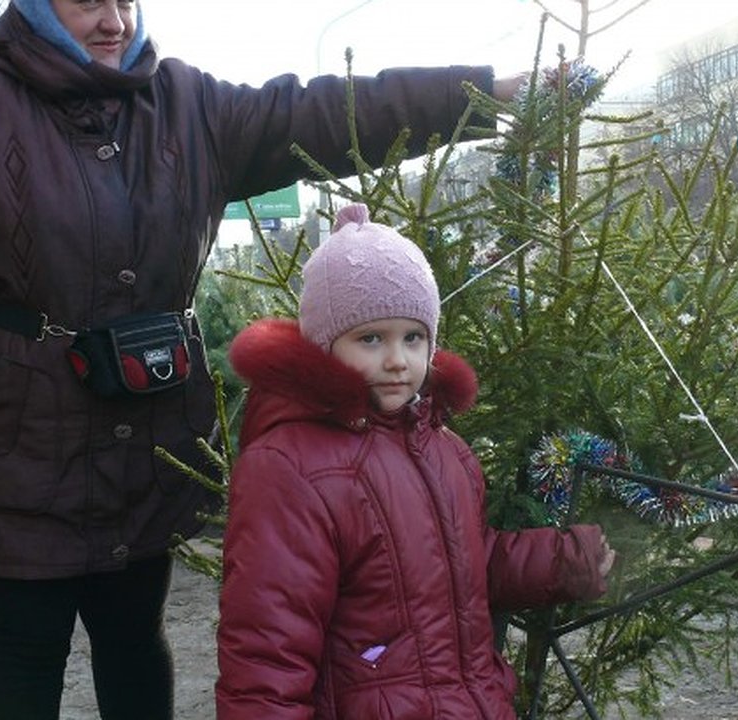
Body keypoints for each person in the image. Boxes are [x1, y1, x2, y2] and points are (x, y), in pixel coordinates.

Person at [0, 1, 525, 718]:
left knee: (137, 639)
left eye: (126, 1)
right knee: (24, 648)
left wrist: (488, 92)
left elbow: (322, 113)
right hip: (15, 456)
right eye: (86, 2)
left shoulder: (186, 106)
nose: (113, 21)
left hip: (151, 445)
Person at [217, 203, 615, 719]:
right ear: (324, 346)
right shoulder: (289, 467)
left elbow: (466, 560)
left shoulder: (443, 447)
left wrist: (563, 562)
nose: (396, 360)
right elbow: (267, 650)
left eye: (413, 337)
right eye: (369, 339)